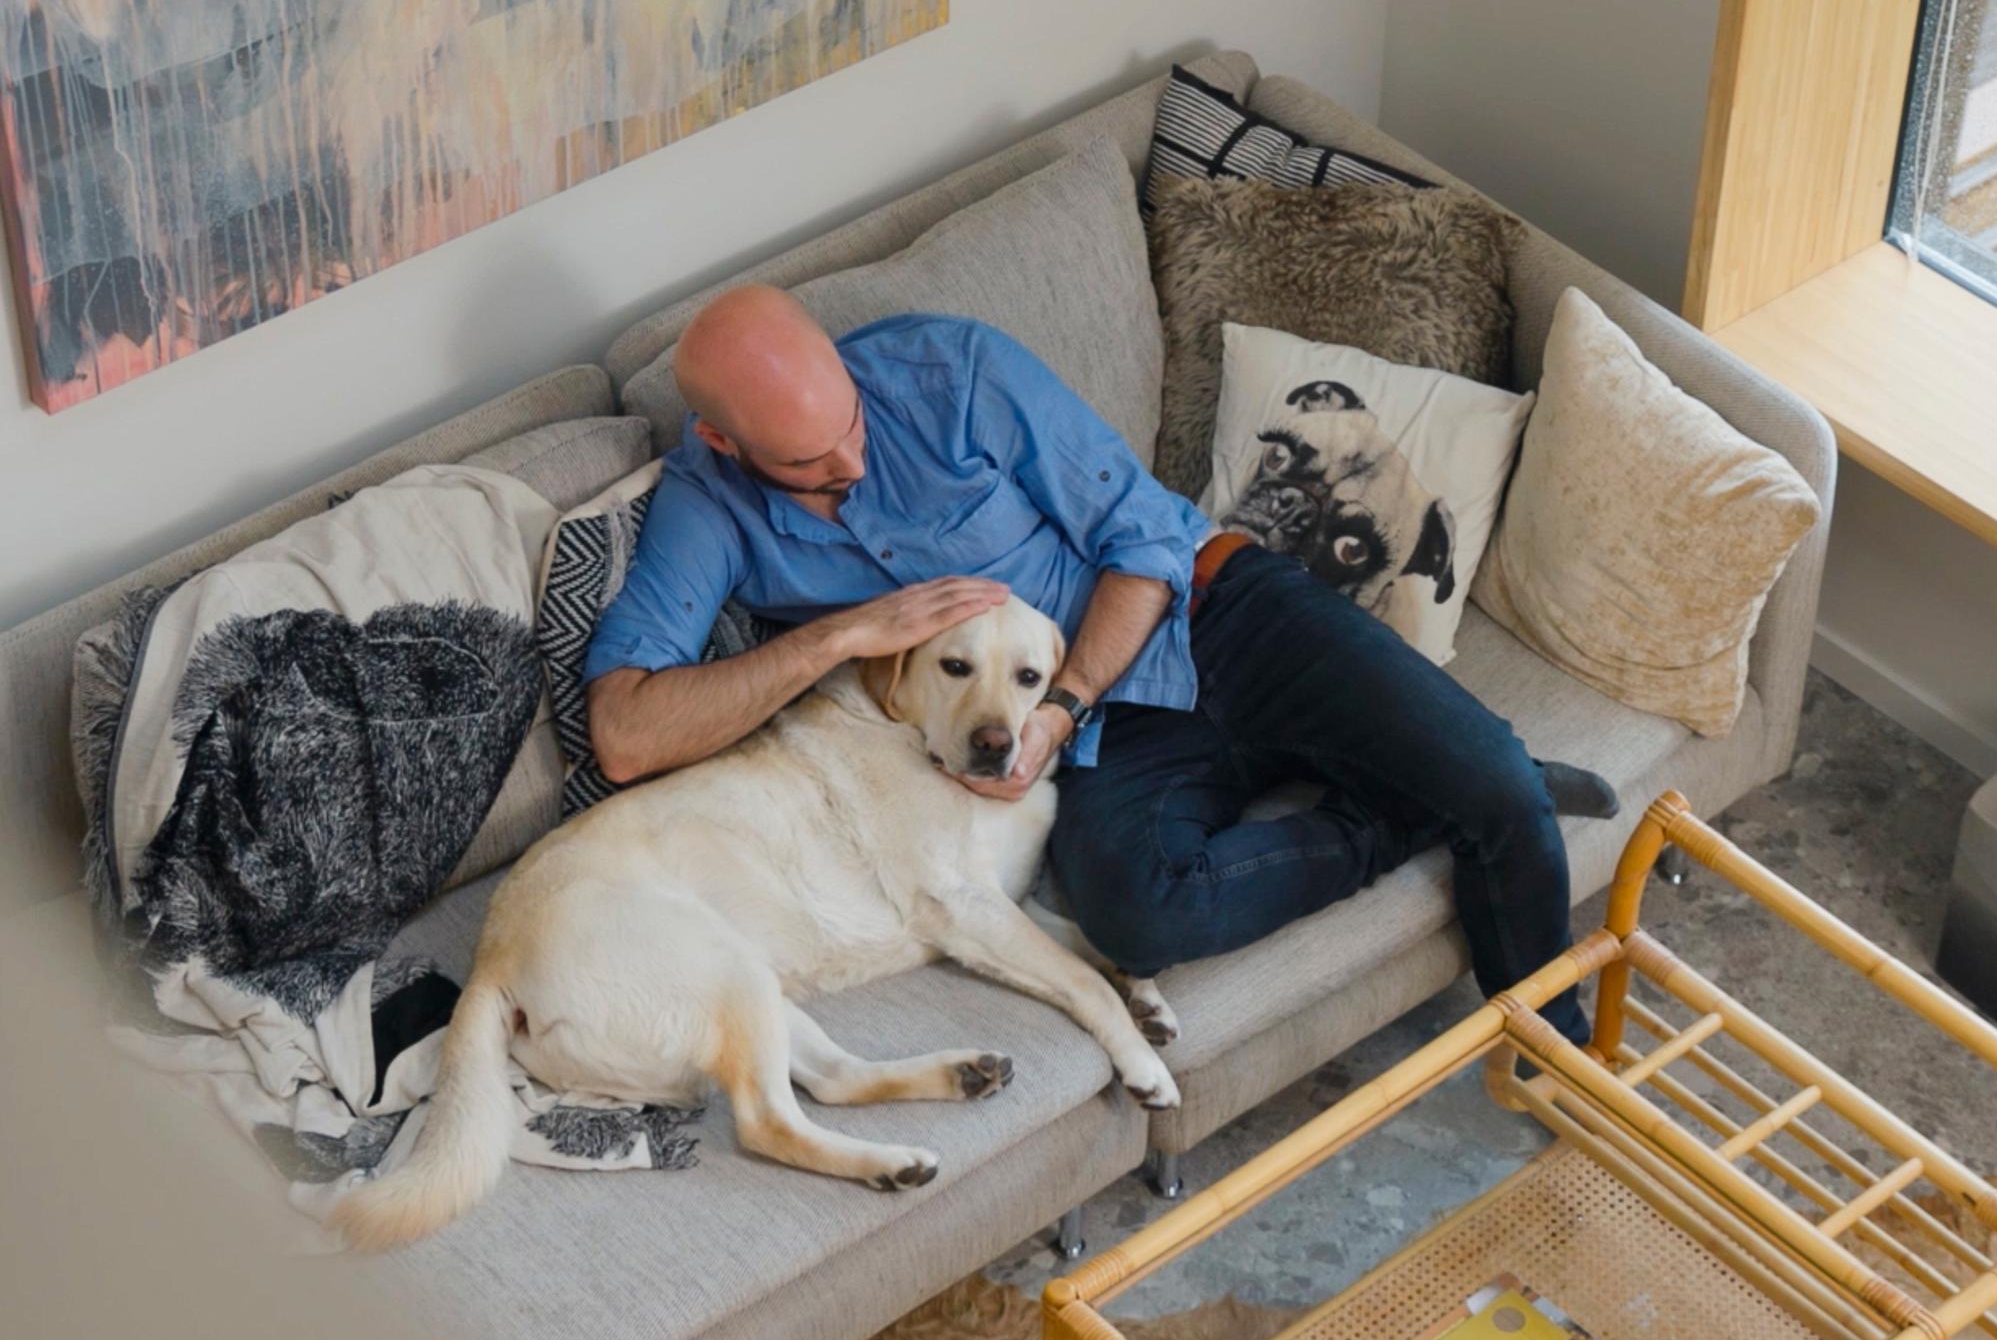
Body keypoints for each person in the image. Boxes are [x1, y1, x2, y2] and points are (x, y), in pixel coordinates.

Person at [582, 286, 1615, 1038]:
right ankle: (1407, 805)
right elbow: (626, 735)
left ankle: (1552, 1049)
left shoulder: (952, 373)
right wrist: (838, 636)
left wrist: (1061, 705)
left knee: (1500, 790)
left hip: (1210, 613)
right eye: (808, 463)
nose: (851, 464)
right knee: (1136, 913)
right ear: (723, 441)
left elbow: (1143, 541)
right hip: (1113, 745)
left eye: (848, 424)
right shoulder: (705, 503)